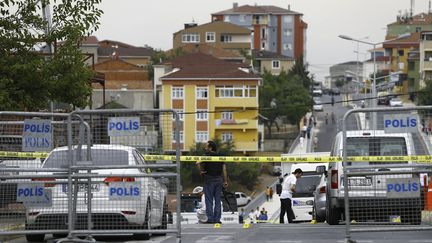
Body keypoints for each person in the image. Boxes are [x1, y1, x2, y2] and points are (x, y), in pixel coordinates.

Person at [196, 140, 229, 224]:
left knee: (209, 200)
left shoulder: (206, 155)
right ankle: (217, 219)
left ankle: (210, 219)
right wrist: (225, 180)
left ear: (210, 148)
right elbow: (224, 168)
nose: (205, 148)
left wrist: (200, 172)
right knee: (218, 200)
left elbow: (197, 163)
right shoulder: (220, 156)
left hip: (209, 179)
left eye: (206, 146)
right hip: (219, 179)